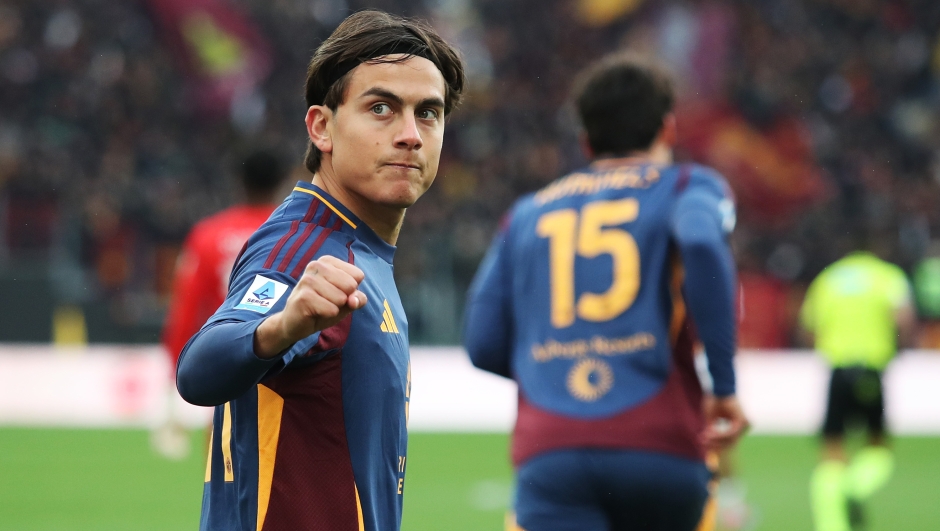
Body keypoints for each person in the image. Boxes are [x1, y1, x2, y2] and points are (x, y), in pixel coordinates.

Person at [175, 10, 465, 531]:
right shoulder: (304, 246)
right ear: (322, 127)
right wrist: (281, 327)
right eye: (381, 108)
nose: (410, 135)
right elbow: (200, 369)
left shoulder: (359, 245)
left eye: (428, 113)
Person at [463, 53, 748, 531]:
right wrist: (724, 386)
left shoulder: (528, 213)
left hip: (552, 449)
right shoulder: (688, 185)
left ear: (586, 140)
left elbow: (483, 342)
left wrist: (551, 371)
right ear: (668, 129)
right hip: (660, 443)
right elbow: (700, 241)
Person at [155, 150, 287, 459]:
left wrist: (175, 378)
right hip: (286, 371)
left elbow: (185, 313)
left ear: (240, 183)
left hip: (228, 368)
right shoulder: (295, 231)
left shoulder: (209, 234)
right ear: (282, 182)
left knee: (224, 487)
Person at [801, 232, 916, 531]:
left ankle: (832, 523)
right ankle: (854, 488)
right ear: (876, 248)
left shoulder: (829, 279)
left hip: (838, 368)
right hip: (871, 369)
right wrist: (897, 347)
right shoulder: (887, 276)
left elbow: (808, 325)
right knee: (878, 444)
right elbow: (903, 318)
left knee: (832, 447)